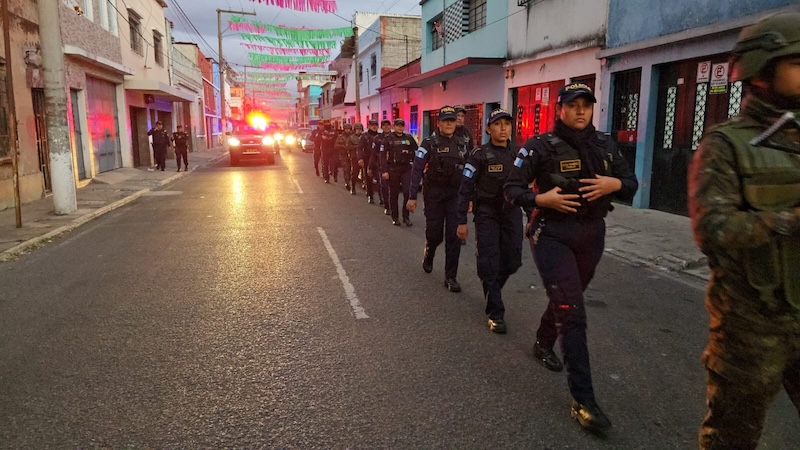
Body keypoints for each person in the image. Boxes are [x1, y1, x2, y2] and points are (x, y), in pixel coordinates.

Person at [687, 13, 800, 450]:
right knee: (732, 437)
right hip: (753, 324)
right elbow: (713, 229)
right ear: (763, 69)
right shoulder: (727, 144)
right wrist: (788, 219)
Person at [504, 82, 638, 434]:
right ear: (559, 110)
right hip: (551, 234)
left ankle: (543, 341)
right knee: (573, 312)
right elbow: (512, 189)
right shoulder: (538, 148)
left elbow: (631, 183)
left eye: (586, 105)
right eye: (573, 105)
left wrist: (615, 186)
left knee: (567, 298)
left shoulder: (606, 144)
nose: (581, 110)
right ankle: (584, 400)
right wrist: (541, 201)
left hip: (592, 234)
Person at [456, 108, 522, 332]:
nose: (503, 128)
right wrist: (461, 220)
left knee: (512, 260)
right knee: (490, 260)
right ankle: (496, 311)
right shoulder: (479, 155)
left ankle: (491, 284)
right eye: (497, 124)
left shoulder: (518, 153)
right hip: (487, 213)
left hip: (512, 212)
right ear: (488, 128)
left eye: (507, 124)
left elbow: (529, 184)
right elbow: (465, 188)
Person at [407, 106, 468, 293]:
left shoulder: (463, 143)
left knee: (454, 236)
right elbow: (417, 168)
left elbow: (471, 171)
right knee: (435, 234)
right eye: (445, 120)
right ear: (439, 123)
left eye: (452, 120)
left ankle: (450, 277)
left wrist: (471, 197)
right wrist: (412, 196)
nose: (449, 123)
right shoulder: (428, 143)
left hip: (455, 195)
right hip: (434, 193)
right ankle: (429, 251)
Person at [379, 118, 418, 226]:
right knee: (394, 194)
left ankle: (406, 217)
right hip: (393, 169)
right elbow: (382, 156)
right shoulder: (388, 139)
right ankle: (395, 217)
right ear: (394, 126)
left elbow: (416, 151)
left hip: (406, 169)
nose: (400, 127)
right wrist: (384, 171)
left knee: (407, 192)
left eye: (401, 125)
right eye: (397, 125)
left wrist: (416, 167)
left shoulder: (409, 138)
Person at [359, 119, 381, 204]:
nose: (374, 126)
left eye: (376, 125)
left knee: (380, 180)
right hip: (368, 160)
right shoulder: (364, 136)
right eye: (372, 125)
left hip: (378, 160)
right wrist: (360, 158)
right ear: (369, 126)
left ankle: (381, 197)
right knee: (369, 179)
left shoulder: (380, 136)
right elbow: (360, 148)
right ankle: (370, 195)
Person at [335, 124, 353, 190]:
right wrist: (342, 146)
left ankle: (350, 180)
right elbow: (336, 146)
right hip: (344, 156)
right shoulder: (340, 137)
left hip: (352, 155)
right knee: (346, 169)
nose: (347, 130)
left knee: (352, 170)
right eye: (346, 129)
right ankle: (347, 182)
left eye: (349, 129)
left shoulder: (353, 136)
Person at [348, 123, 364, 195]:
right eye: (357, 129)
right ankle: (353, 187)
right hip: (354, 157)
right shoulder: (351, 138)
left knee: (365, 173)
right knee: (355, 173)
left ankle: (365, 186)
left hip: (363, 157)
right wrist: (356, 147)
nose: (359, 131)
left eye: (360, 129)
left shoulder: (364, 137)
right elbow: (348, 147)